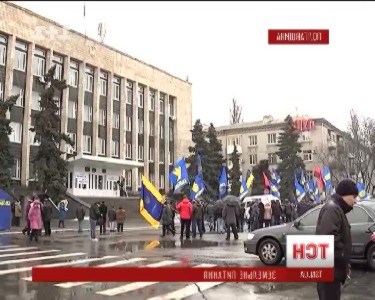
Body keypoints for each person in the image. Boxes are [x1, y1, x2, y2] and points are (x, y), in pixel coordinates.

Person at [316, 179, 358, 300]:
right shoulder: (332, 209)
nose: (355, 201)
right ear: (344, 194)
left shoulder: (337, 209)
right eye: (354, 196)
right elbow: (329, 238)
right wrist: (343, 255)